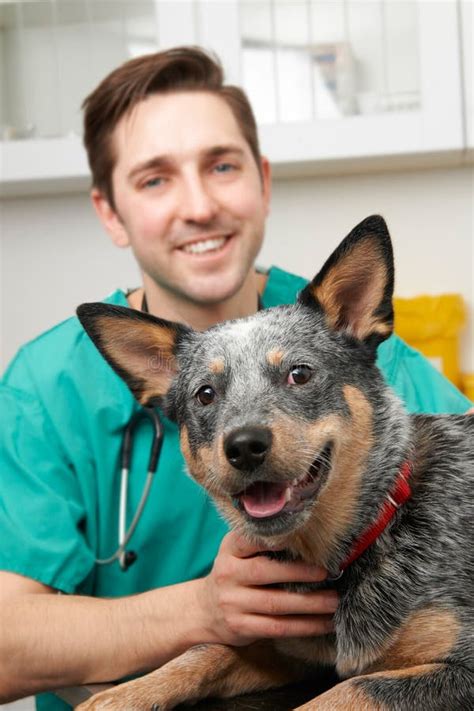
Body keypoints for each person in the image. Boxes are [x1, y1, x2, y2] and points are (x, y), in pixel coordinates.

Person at [0, 47, 471, 710]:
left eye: (222, 165)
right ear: (109, 211)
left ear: (263, 181)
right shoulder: (44, 389)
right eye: (155, 179)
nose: (199, 205)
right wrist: (203, 608)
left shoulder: (356, 350)